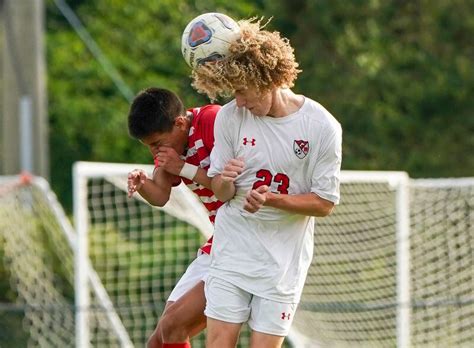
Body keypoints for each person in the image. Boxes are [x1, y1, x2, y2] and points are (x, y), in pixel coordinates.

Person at [191, 18, 343, 348]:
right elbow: (222, 192)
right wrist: (224, 180)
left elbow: (324, 203)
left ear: (267, 79)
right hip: (232, 252)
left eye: (243, 92)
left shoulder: (321, 127)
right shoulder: (231, 117)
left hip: (282, 265)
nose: (239, 101)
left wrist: (272, 200)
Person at [127, 87, 222, 348]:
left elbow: (232, 185)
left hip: (246, 240)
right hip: (221, 240)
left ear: (180, 123)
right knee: (158, 341)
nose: (155, 152)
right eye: (149, 147)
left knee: (172, 326)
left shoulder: (213, 122)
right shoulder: (170, 150)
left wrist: (183, 168)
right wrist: (143, 183)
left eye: (157, 143)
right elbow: (160, 196)